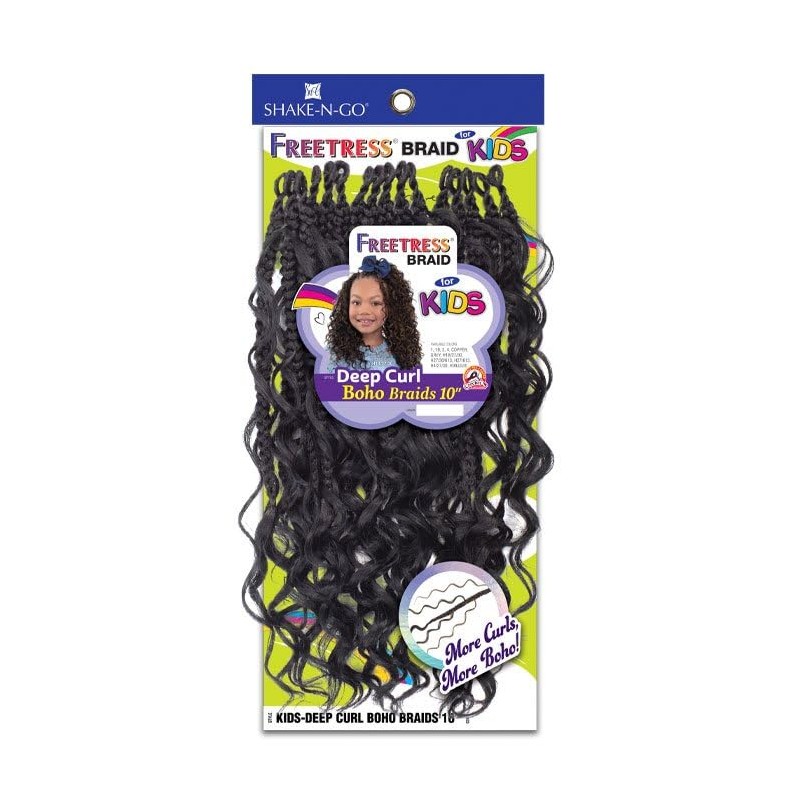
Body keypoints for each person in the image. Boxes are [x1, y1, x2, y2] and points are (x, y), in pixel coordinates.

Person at [326, 256, 422, 373]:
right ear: (346, 305)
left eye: (376, 303)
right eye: (356, 302)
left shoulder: (403, 356)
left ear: (392, 307)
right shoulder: (334, 354)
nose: (364, 311)